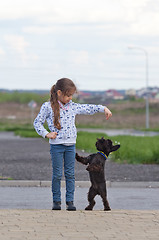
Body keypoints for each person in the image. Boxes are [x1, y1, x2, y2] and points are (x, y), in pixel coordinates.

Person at [33, 78, 112, 211]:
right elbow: (37, 123)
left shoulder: (73, 106)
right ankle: (56, 201)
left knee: (70, 174)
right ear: (59, 93)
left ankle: (70, 201)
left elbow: (88, 108)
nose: (70, 98)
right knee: (57, 174)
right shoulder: (47, 106)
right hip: (56, 146)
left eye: (71, 96)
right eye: (68, 95)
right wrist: (47, 134)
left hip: (70, 146)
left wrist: (103, 108)